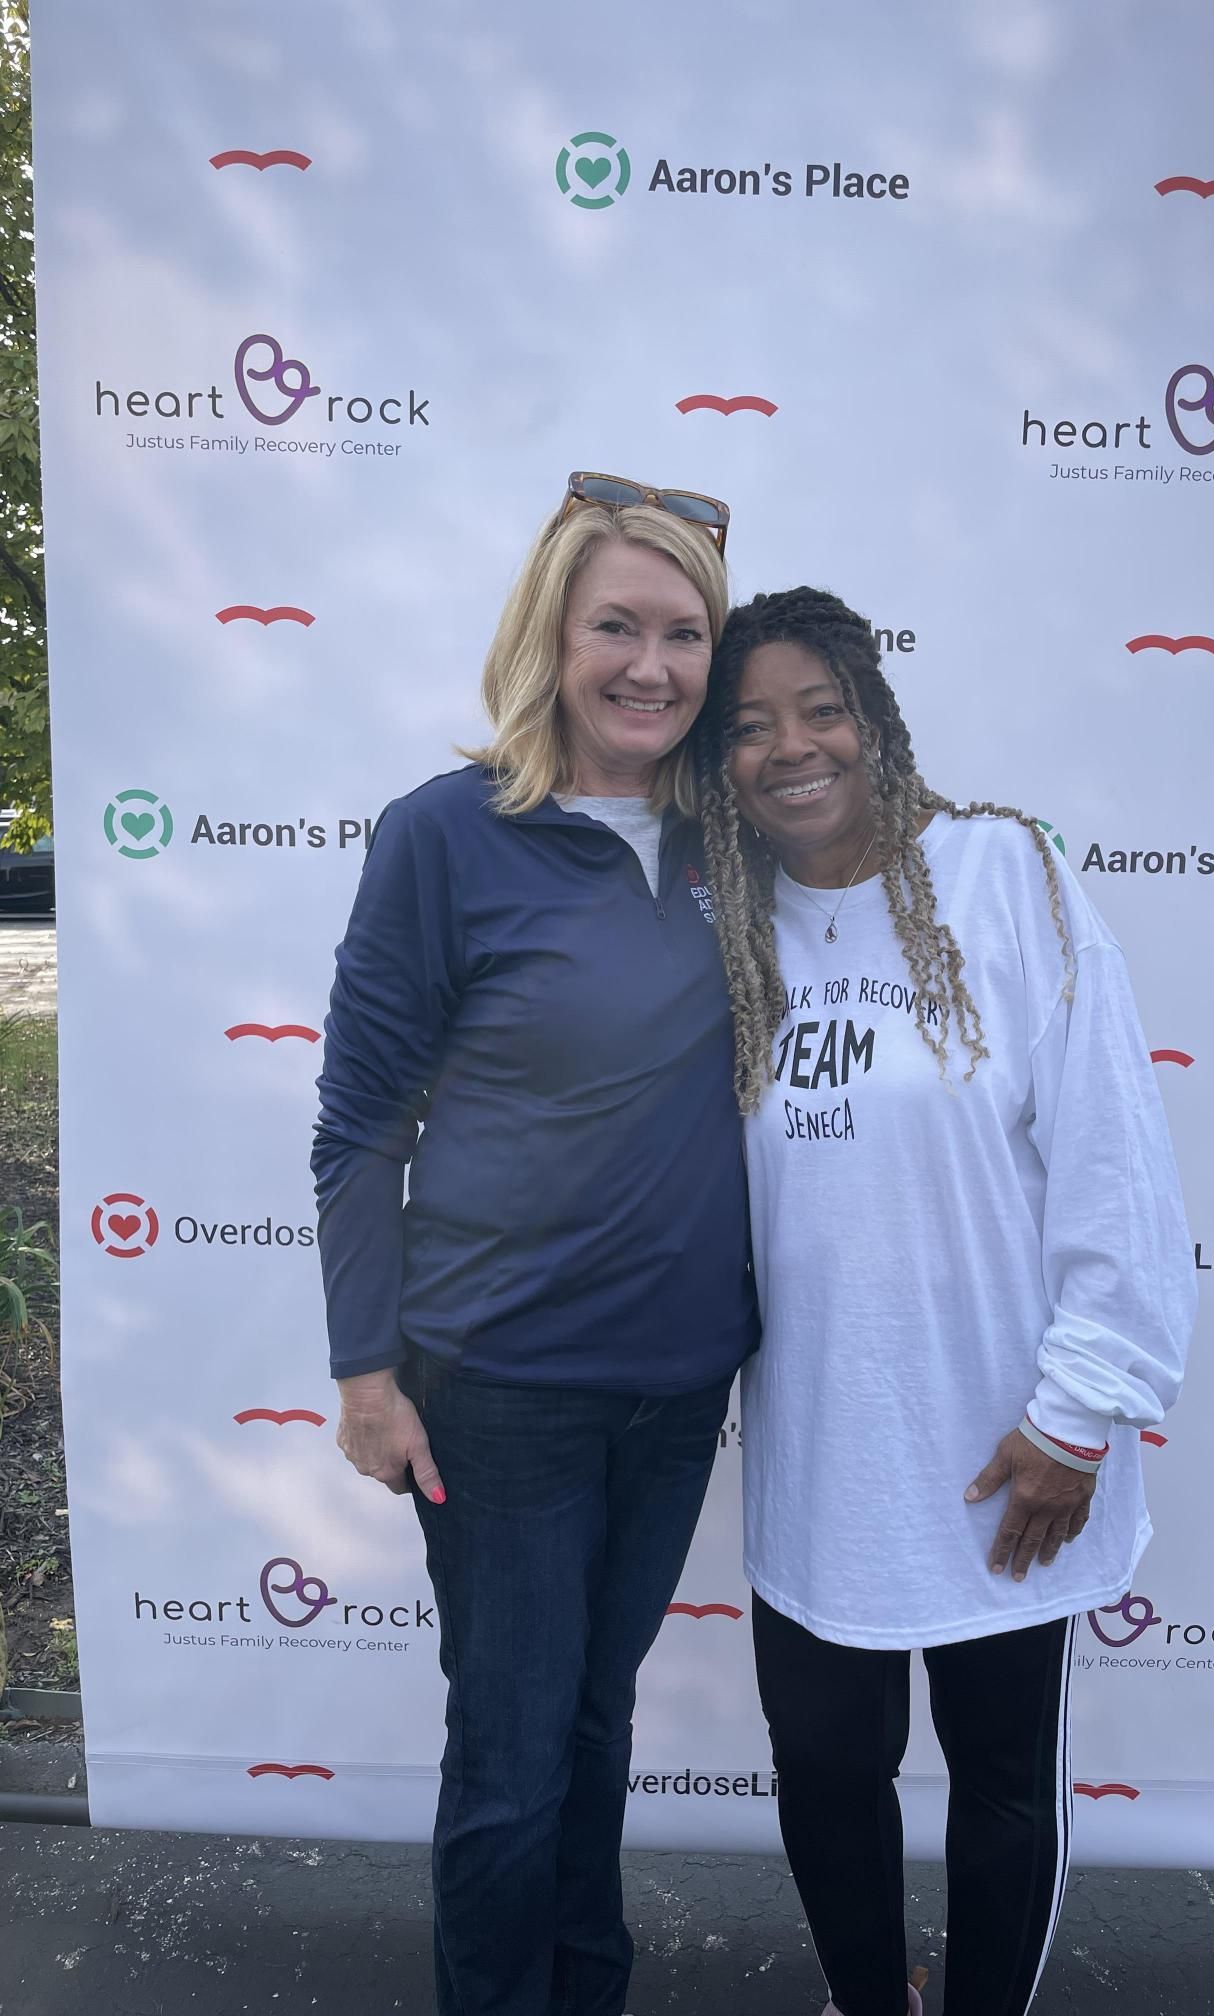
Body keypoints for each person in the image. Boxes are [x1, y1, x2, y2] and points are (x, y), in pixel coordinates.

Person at [691, 587, 1196, 2016]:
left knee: (1001, 1779)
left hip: (1006, 1444)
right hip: (822, 1457)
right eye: (750, 727)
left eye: (822, 710)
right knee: (826, 1771)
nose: (792, 748)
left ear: (877, 718)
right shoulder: (726, 919)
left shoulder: (1004, 876)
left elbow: (1114, 1163)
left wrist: (1079, 1415)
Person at [311, 475, 759, 2016]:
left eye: (685, 634)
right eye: (616, 626)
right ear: (550, 638)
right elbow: (359, 1126)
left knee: (593, 1723)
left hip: (680, 1386)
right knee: (510, 1759)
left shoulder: (740, 839)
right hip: (498, 1388)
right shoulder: (445, 837)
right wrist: (365, 1375)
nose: (652, 665)